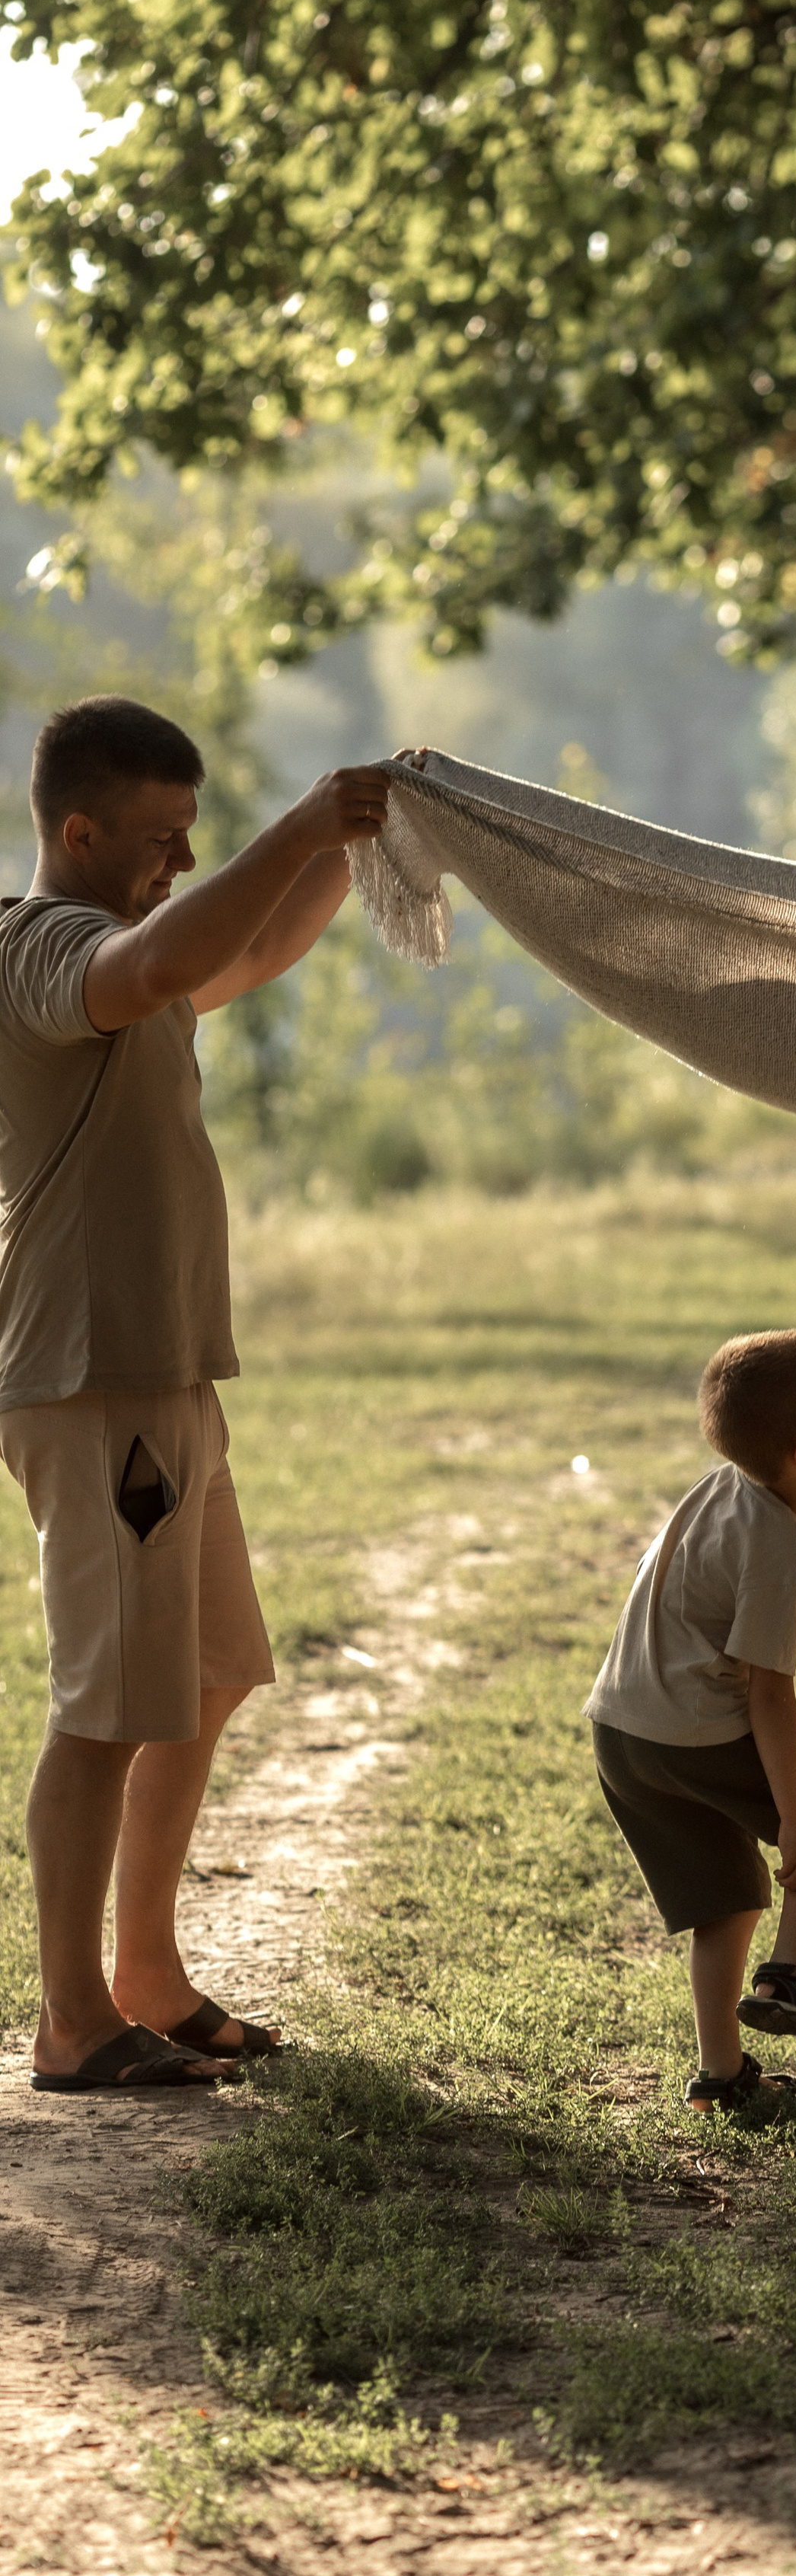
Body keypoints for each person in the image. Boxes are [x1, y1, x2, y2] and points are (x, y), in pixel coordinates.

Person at [5, 694, 397, 2091]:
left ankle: (147, 1974)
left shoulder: (141, 960)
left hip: (165, 1374)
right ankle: (70, 2021)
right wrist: (299, 825)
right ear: (79, 830)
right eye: (161, 837)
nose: (180, 860)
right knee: (106, 1703)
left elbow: (237, 949)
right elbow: (165, 951)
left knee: (212, 1673)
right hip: (91, 1379)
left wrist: (353, 849)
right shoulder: (39, 949)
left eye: (195, 835)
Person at [584, 1327, 796, 2125]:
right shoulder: (780, 1547)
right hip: (695, 1734)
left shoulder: (724, 1486)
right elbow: (768, 1696)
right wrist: (795, 1822)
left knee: (725, 1902)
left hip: (621, 1731)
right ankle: (791, 1973)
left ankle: (721, 2079)